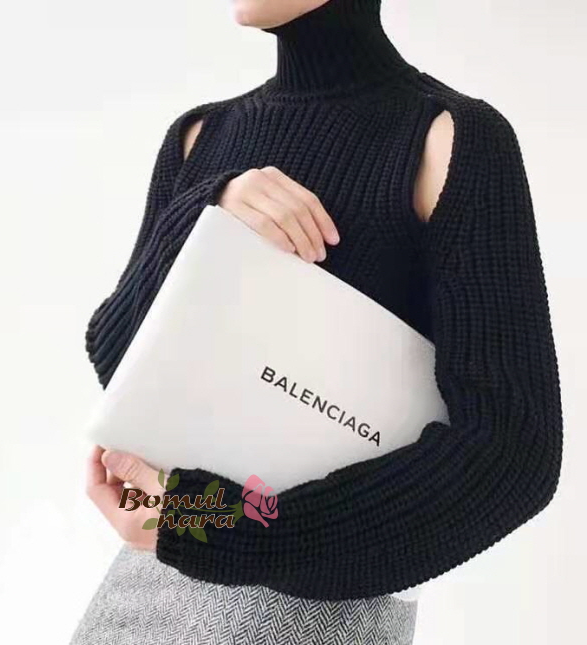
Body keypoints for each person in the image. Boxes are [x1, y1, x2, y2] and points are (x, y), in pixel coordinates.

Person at [71, 1, 563, 643]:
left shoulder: (445, 135)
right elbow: (121, 365)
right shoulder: (202, 135)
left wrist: (212, 525)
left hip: (314, 604)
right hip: (147, 577)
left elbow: (511, 452)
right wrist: (204, 214)